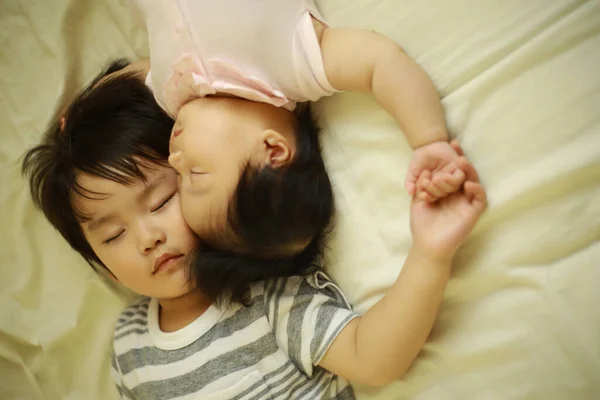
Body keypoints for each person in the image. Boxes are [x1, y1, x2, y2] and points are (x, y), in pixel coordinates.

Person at [22, 62, 487, 398]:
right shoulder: (128, 348)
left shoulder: (268, 300)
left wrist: (430, 255)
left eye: (163, 200)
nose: (147, 238)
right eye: (112, 237)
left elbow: (376, 357)